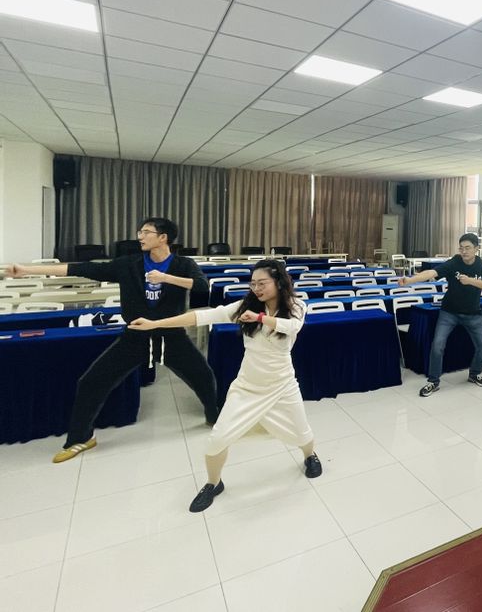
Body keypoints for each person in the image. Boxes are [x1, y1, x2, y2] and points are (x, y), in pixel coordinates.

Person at [7, 217, 218, 463]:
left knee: (204, 377)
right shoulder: (128, 264)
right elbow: (82, 269)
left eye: (146, 232)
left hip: (172, 336)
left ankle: (215, 417)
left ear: (163, 238)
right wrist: (26, 270)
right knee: (90, 382)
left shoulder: (183, 264)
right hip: (134, 337)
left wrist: (166, 278)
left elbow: (201, 286)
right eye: (140, 231)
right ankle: (81, 438)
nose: (140, 236)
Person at [130, 259, 321, 512]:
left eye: (262, 283)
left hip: (282, 385)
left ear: (279, 282)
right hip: (247, 387)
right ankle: (214, 483)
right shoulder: (245, 306)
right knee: (216, 440)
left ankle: (310, 456)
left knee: (302, 433)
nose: (256, 289)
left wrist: (261, 318)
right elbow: (203, 316)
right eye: (253, 284)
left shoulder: (296, 306)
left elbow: (293, 326)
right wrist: (156, 324)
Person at [399, 233, 482, 397]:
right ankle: (433, 381)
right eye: (461, 248)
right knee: (437, 345)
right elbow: (432, 273)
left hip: (473, 314)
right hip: (449, 312)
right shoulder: (454, 262)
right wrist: (410, 280)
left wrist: (470, 281)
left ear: (476, 249)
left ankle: (474, 373)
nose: (464, 251)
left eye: (468, 248)